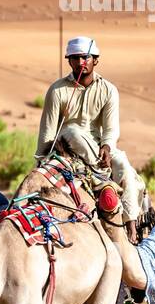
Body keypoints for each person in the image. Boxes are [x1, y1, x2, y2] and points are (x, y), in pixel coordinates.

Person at [36, 35, 142, 241]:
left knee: (125, 168)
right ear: (69, 61)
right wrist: (40, 162)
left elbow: (111, 129)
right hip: (66, 144)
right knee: (73, 131)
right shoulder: (57, 90)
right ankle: (100, 175)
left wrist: (108, 147)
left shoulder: (109, 90)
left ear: (95, 59)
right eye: (74, 58)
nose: (80, 62)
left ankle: (131, 225)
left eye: (85, 57)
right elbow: (47, 131)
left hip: (97, 145)